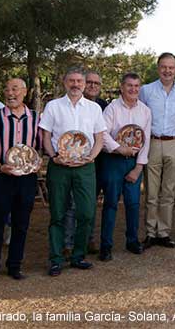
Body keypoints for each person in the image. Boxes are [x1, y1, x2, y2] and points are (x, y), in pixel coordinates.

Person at [41, 67, 106, 277]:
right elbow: (46, 136)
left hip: (85, 167)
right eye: (72, 80)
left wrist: (92, 157)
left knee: (86, 213)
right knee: (58, 214)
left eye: (79, 81)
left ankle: (78, 255)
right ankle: (56, 259)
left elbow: (99, 138)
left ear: (85, 84)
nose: (76, 84)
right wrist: (53, 156)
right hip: (59, 166)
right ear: (65, 82)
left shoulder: (94, 109)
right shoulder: (53, 106)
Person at [0, 78, 40, 284]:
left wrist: (38, 163)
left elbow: (39, 147)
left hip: (26, 179)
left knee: (21, 224)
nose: (10, 93)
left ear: (24, 92)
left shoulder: (35, 118)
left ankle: (15, 265)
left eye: (15, 89)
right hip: (1, 178)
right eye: (7, 89)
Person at [97, 72, 151, 261]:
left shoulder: (145, 111)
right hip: (113, 160)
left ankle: (132, 240)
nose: (133, 89)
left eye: (137, 86)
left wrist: (138, 168)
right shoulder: (111, 108)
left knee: (133, 203)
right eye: (129, 85)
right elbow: (102, 135)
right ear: (122, 87)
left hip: (133, 163)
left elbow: (146, 141)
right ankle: (106, 245)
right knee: (111, 203)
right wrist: (119, 149)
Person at [139, 53, 175, 249]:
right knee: (152, 192)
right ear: (158, 68)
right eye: (163, 67)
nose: (167, 71)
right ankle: (150, 232)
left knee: (169, 192)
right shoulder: (146, 91)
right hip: (152, 142)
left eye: (171, 67)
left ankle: (164, 233)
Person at [63, 71, 109, 257]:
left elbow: (104, 135)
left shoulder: (103, 106)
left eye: (96, 83)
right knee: (71, 204)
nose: (92, 86)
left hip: (95, 163)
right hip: (70, 162)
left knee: (89, 205)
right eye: (89, 82)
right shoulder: (64, 104)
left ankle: (88, 239)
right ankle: (68, 242)